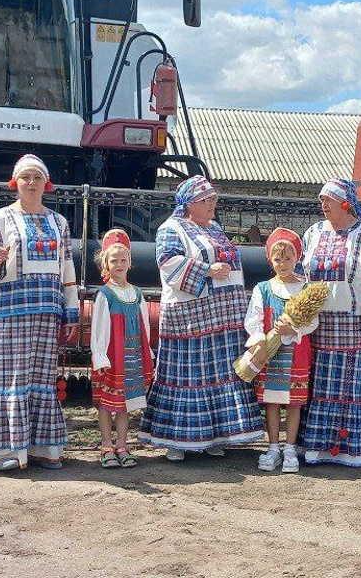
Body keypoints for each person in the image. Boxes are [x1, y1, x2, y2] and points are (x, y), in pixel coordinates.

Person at [138, 175, 264, 461]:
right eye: (207, 200)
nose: (212, 204)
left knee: (218, 375)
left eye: (214, 199)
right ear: (190, 203)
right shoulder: (171, 228)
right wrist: (207, 270)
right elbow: (168, 265)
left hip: (221, 317)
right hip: (189, 318)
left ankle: (214, 436)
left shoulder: (216, 228)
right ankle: (175, 440)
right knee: (185, 376)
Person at [0, 154, 79, 471]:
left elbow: (67, 269)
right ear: (15, 183)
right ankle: (2, 452)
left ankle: (42, 449)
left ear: (47, 183)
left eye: (37, 177)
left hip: (46, 310)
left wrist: (70, 310)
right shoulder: (1, 219)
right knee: (8, 378)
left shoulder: (60, 223)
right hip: (10, 310)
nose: (31, 183)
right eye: (25, 177)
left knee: (41, 378)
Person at [299, 178, 361, 467]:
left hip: (356, 326)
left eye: (328, 200)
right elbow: (303, 276)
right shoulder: (313, 232)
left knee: (353, 389)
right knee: (321, 388)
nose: (323, 205)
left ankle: (354, 452)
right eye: (321, 200)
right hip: (319, 326)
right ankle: (315, 448)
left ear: (345, 204)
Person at [244, 228, 318, 473]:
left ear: (296, 258)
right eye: (278, 259)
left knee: (294, 403)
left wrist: (293, 329)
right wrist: (258, 339)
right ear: (270, 260)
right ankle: (273, 445)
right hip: (271, 354)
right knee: (272, 401)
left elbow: (313, 321)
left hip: (297, 352)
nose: (283, 263)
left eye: (287, 258)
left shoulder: (305, 289)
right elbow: (253, 319)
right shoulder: (262, 288)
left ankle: (290, 447)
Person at [90, 228, 154, 469]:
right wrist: (100, 356)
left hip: (132, 355)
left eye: (123, 260)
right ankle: (107, 445)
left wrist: (147, 352)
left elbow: (145, 325)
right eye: (113, 260)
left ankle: (122, 445)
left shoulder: (136, 293)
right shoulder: (105, 294)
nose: (119, 264)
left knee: (126, 403)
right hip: (112, 357)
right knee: (108, 403)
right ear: (105, 264)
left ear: (130, 263)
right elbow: (99, 328)